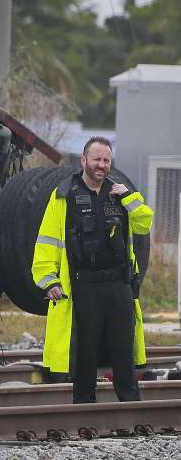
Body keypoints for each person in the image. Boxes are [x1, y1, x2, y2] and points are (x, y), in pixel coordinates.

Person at [31, 136, 153, 403]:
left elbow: (144, 224)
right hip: (83, 285)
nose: (102, 165)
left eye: (107, 160)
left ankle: (131, 405)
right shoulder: (64, 195)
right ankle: (84, 407)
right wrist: (49, 280)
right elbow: (47, 241)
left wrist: (129, 197)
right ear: (84, 160)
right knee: (85, 350)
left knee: (124, 348)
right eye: (97, 159)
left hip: (119, 285)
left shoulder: (120, 195)